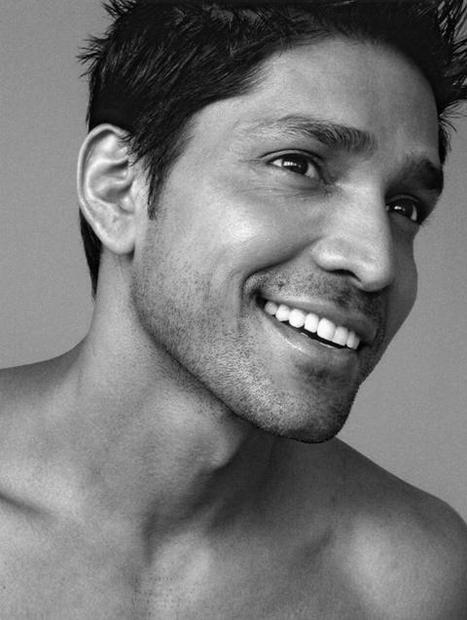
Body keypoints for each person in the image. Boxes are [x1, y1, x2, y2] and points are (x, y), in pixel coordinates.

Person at [1, 0, 467, 617]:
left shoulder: (410, 582)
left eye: (404, 207)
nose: (377, 262)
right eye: (299, 165)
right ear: (117, 188)